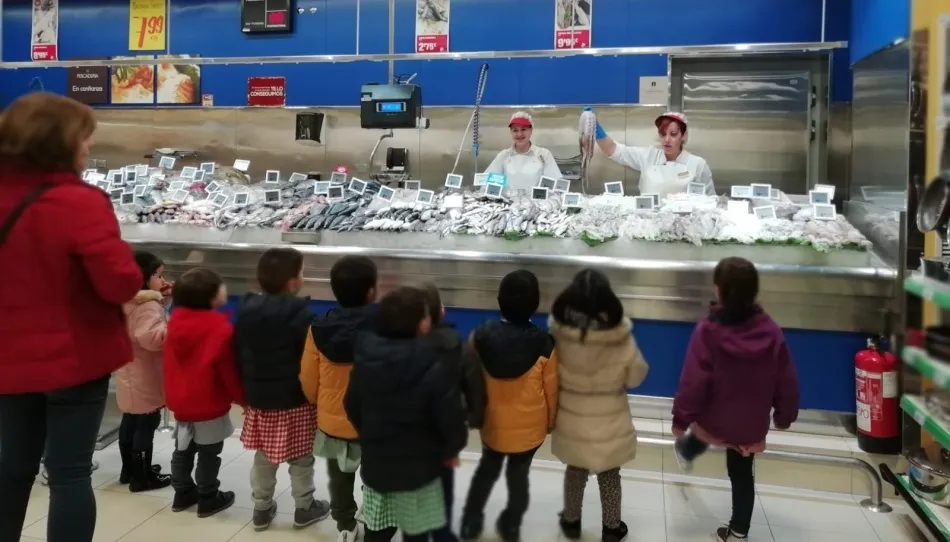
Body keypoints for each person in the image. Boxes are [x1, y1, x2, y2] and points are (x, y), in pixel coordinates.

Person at [0, 92, 143, 542]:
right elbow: (119, 285)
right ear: (60, 142)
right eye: (84, 138)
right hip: (73, 360)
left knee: (10, 469)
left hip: (7, 360)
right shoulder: (77, 201)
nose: (89, 146)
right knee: (69, 474)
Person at [671, 257, 800, 542]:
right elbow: (786, 380)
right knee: (742, 474)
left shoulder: (708, 330)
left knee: (701, 434)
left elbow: (693, 381)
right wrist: (784, 417)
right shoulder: (771, 330)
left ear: (718, 290)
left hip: (714, 418)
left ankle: (685, 451)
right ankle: (739, 532)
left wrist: (680, 419)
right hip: (750, 424)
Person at [344, 287, 469, 542]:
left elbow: (351, 404)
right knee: (416, 532)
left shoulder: (365, 359)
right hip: (420, 472)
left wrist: (368, 434)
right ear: (423, 325)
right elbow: (450, 417)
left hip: (377, 466)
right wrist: (451, 450)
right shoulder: (433, 363)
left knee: (377, 530)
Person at [548, 269, 649, 542]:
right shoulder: (619, 337)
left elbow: (551, 374)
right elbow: (636, 375)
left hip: (573, 420)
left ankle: (571, 520)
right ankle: (612, 528)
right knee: (610, 474)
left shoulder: (559, 335)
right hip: (609, 421)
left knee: (575, 469)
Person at [235, 247, 331, 531]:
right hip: (295, 400)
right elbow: (310, 361)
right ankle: (304, 507)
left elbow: (238, 353)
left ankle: (261, 508)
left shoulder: (246, 311)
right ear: (292, 282)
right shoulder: (302, 316)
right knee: (301, 458)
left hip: (260, 400)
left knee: (264, 457)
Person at [459, 270, 556, 542]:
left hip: (493, 424)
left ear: (499, 300)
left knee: (486, 471)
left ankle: (471, 521)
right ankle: (511, 525)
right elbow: (552, 390)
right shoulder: (545, 344)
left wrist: (472, 412)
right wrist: (550, 422)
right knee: (518, 479)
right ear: (536, 304)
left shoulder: (480, 337)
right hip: (529, 431)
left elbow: (469, 378)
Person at [299, 255, 380, 542]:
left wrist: (318, 404)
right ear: (371, 291)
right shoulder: (386, 326)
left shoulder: (318, 328)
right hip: (376, 422)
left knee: (339, 478)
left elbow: (309, 379)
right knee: (375, 476)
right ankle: (374, 519)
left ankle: (345, 525)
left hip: (334, 421)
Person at [163, 267, 244, 518]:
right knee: (209, 453)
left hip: (181, 401)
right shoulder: (220, 329)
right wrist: (243, 399)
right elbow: (228, 372)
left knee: (183, 449)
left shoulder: (174, 323)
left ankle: (182, 493)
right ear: (212, 297)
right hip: (209, 402)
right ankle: (208, 497)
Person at [420, 283, 484, 542]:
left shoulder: (394, 347)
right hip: (443, 438)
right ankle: (442, 532)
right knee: (442, 486)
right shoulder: (457, 345)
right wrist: (475, 417)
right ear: (441, 311)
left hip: (406, 437)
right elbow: (473, 387)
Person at [115, 251, 173, 493]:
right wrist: (172, 328)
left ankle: (129, 470)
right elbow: (150, 338)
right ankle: (142, 476)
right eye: (158, 275)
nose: (163, 280)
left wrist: (162, 299)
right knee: (147, 423)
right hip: (145, 374)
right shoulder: (147, 305)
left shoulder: (125, 299)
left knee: (130, 420)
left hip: (128, 369)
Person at [584, 107, 714, 198]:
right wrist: (596, 131)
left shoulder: (698, 164)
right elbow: (614, 150)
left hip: (683, 226)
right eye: (663, 134)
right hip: (648, 224)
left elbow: (711, 201)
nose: (667, 139)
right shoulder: (649, 156)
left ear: (684, 136)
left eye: (673, 134)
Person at [484, 111, 564, 192]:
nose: (519, 134)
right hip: (508, 200)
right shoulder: (503, 156)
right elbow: (488, 184)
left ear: (531, 130)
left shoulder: (543, 155)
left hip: (535, 200)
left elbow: (555, 186)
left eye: (523, 129)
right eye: (515, 130)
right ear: (511, 132)